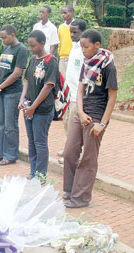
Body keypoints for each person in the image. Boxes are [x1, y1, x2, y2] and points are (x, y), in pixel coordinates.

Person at [62, 29, 118, 208]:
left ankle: (81, 198)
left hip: (97, 116)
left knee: (88, 157)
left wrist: (102, 124)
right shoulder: (86, 62)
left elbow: (112, 97)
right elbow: (79, 90)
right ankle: (70, 190)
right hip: (82, 113)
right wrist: (80, 111)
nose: (83, 51)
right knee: (70, 151)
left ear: (97, 45)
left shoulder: (108, 65)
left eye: (86, 47)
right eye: (81, 47)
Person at [19, 30, 58, 180]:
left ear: (42, 43)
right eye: (29, 46)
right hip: (29, 107)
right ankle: (33, 170)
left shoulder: (51, 61)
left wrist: (33, 107)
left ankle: (41, 174)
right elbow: (27, 80)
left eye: (33, 45)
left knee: (40, 141)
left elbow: (48, 86)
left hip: (41, 109)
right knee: (31, 140)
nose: (31, 48)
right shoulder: (33, 60)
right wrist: (22, 100)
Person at [0, 24, 29, 166]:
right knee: (1, 124)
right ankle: (1, 152)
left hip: (12, 92)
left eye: (5, 37)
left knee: (10, 125)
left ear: (13, 35)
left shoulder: (22, 50)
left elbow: (17, 73)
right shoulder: (6, 49)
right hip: (1, 91)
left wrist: (1, 86)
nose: (3, 40)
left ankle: (10, 154)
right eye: (1, 38)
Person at [58, 19, 87, 164]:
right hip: (68, 95)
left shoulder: (84, 51)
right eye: (71, 32)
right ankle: (69, 149)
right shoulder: (74, 47)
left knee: (74, 127)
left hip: (77, 96)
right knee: (66, 123)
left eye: (75, 32)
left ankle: (74, 153)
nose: (72, 35)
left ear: (83, 32)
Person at [57, 5, 75, 77]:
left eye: (65, 13)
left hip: (72, 57)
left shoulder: (76, 26)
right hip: (62, 58)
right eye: (62, 13)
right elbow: (59, 43)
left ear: (72, 13)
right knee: (62, 80)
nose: (63, 15)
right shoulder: (61, 27)